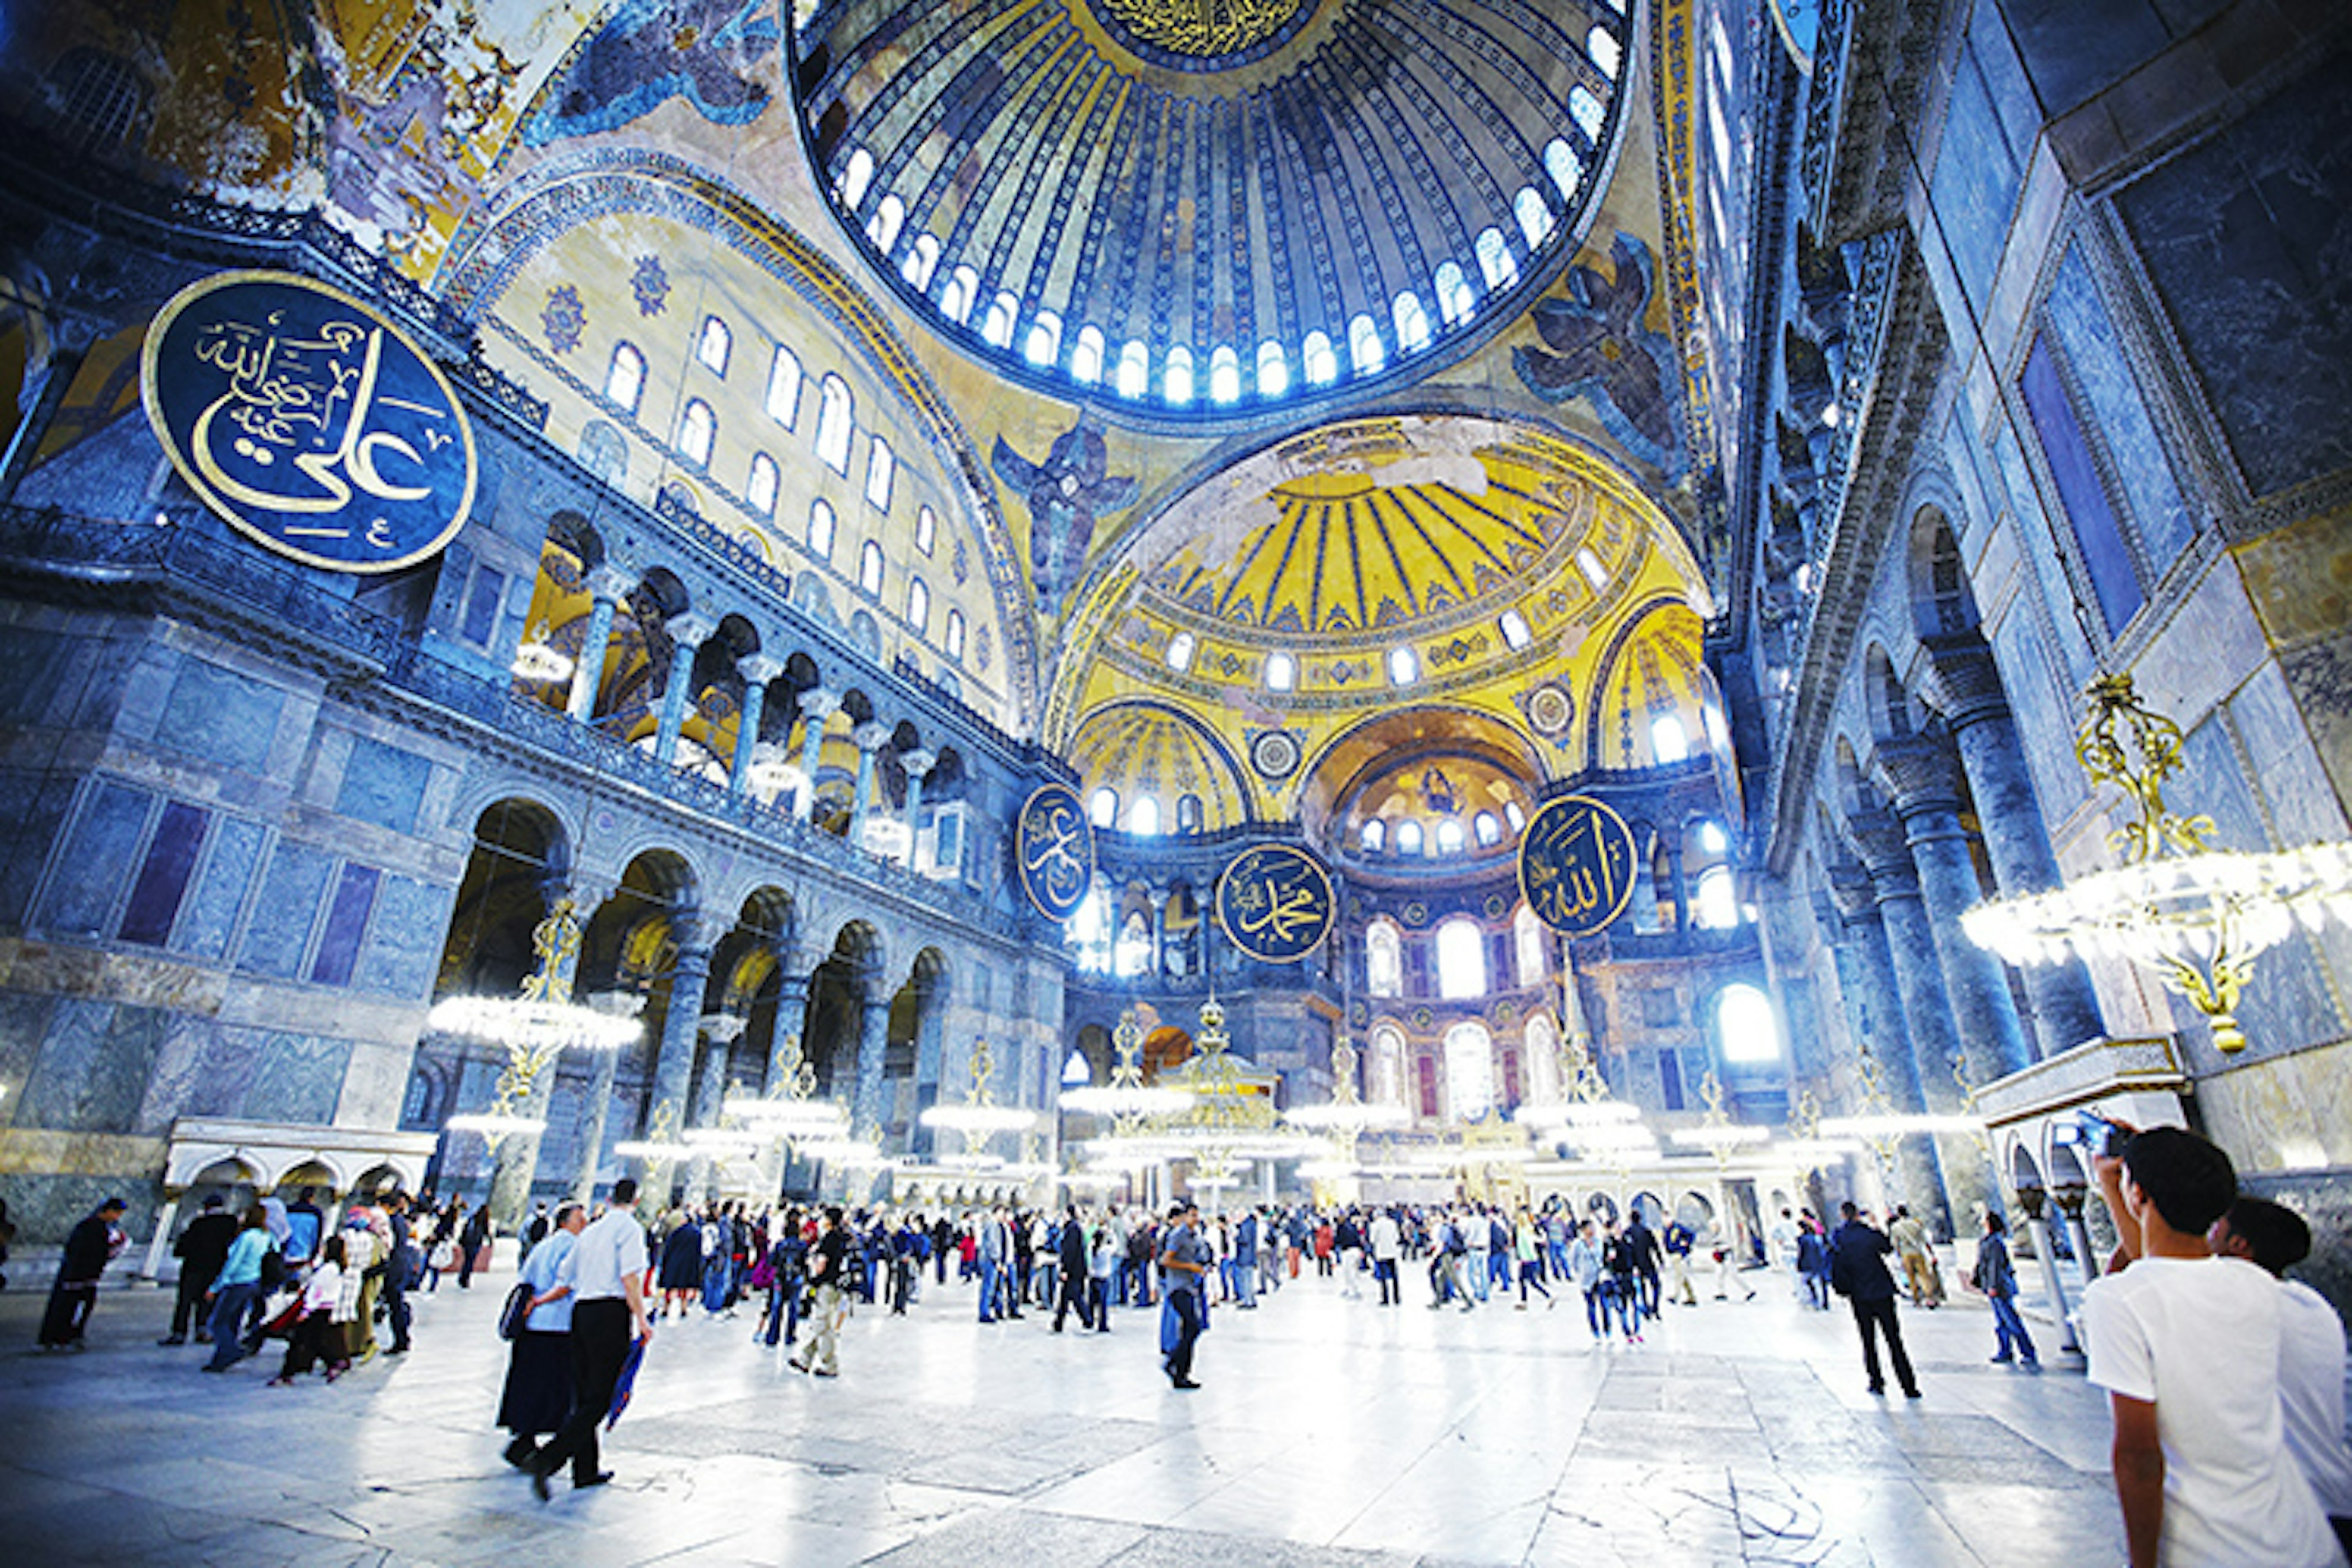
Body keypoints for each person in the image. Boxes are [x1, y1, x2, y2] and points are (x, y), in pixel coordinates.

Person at [2081, 1127, 2338, 1567]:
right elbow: (2173, 1276)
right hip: (2300, 1538)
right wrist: (2175, 1163)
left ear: (2138, 1194)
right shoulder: (2257, 1284)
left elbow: (2139, 1456)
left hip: (2211, 1546)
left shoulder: (2118, 1300)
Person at [2209, 1196, 2352, 1558]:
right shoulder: (2311, 1304)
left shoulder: (2241, 1304)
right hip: (2336, 1498)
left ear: (2238, 1246)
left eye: (2216, 1227)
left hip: (2293, 1516)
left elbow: (2149, 1271)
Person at [530, 1178, 652, 1499]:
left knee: (584, 1395)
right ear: (636, 1201)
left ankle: (585, 1470)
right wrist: (641, 1318)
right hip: (610, 1314)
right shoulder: (629, 1229)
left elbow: (566, 1279)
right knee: (600, 1398)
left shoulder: (590, 1232)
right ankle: (547, 1460)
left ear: (610, 1198)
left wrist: (541, 1301)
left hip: (581, 1313)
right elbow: (630, 1277)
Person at [500, 1201, 585, 1471]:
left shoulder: (543, 1246)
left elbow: (525, 1279)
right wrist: (541, 1301)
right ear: (565, 1222)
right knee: (554, 1387)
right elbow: (566, 1284)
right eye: (579, 1220)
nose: (583, 1225)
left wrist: (532, 1303)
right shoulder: (572, 1246)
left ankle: (523, 1437)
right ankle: (543, 1443)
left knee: (528, 1383)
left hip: (533, 1327)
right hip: (558, 1325)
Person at [1827, 1202, 1918, 1398]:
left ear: (1843, 1215)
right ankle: (1908, 1386)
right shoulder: (1869, 1234)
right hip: (1882, 1291)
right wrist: (1876, 1225)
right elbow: (1887, 1248)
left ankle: (1876, 1381)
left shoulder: (1839, 1237)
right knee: (1894, 1340)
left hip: (1859, 1295)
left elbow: (1836, 1262)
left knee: (1868, 1341)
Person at [38, 1196, 127, 1351]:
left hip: (89, 1275)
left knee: (84, 1305)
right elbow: (79, 1252)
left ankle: (72, 1333)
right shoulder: (89, 1227)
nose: (117, 1217)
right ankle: (59, 1335)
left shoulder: (102, 1228)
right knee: (67, 1306)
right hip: (77, 1274)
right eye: (116, 1213)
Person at [201, 1206, 275, 1373]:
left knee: (218, 1322)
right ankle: (220, 1360)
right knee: (233, 1319)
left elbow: (233, 1263)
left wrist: (216, 1286)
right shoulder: (267, 1236)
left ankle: (230, 1350)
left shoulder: (247, 1237)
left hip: (238, 1282)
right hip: (254, 1281)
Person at [268, 1235, 347, 1385]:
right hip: (326, 1308)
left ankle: (287, 1373)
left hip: (315, 1309)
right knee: (314, 1341)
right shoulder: (338, 1268)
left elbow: (316, 1291)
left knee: (300, 1340)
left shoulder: (327, 1270)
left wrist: (306, 1311)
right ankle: (333, 1363)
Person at [162, 1195, 238, 1346]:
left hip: (194, 1266)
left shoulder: (198, 1223)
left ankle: (179, 1332)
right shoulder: (230, 1223)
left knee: (185, 1301)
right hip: (216, 1267)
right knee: (207, 1300)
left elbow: (185, 1244)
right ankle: (202, 1330)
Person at [1971, 1212, 2037, 1368]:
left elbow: (1995, 1266)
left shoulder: (1995, 1242)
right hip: (1993, 1286)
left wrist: (1993, 1286)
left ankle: (2027, 1352)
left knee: (2011, 1320)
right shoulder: (1990, 1240)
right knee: (2001, 1322)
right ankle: (2005, 1351)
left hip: (1999, 1287)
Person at [791, 1205, 849, 1378]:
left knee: (824, 1326)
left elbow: (822, 1264)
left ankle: (830, 1365)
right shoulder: (845, 1237)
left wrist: (814, 1277)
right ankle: (805, 1360)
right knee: (820, 1324)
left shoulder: (830, 1239)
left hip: (826, 1286)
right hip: (838, 1286)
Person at [1157, 1201, 1210, 1389]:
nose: (1196, 1219)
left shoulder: (1194, 1236)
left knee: (1190, 1328)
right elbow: (1166, 1260)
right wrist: (1190, 1267)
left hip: (1189, 1286)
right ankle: (1174, 1363)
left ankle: (1181, 1372)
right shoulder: (1178, 1235)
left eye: (1197, 1215)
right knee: (1193, 1326)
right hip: (1178, 1287)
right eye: (1192, 1215)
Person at [1890, 1205, 1945, 1309]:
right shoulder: (1916, 1225)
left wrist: (1899, 1257)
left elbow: (1895, 1244)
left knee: (1912, 1278)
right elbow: (1925, 1241)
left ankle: (1917, 1300)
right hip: (1917, 1252)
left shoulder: (1896, 1227)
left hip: (1906, 1254)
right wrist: (1931, 1254)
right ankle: (1930, 1297)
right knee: (1924, 1276)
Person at [1567, 1219, 1609, 1344]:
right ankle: (1595, 1332)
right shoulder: (1578, 1244)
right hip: (1586, 1280)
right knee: (1591, 1306)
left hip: (1599, 1277)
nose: (1593, 1230)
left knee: (1605, 1304)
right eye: (1590, 1228)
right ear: (1584, 1230)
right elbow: (1572, 1261)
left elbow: (1603, 1257)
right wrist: (1579, 1272)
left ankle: (1608, 1330)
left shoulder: (1599, 1242)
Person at [1053, 1206, 1092, 1331]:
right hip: (1076, 1269)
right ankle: (1058, 1323)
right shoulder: (1074, 1228)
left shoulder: (1072, 1229)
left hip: (1073, 1270)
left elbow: (1070, 1251)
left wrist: (1065, 1269)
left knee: (1075, 1296)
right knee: (1065, 1296)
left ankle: (1087, 1319)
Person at [1661, 1215, 1698, 1306]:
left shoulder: (1678, 1228)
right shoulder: (1667, 1230)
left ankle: (1675, 1295)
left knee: (1679, 1276)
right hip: (1673, 1254)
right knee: (1683, 1277)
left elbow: (1692, 1234)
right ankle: (1692, 1296)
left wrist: (1686, 1244)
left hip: (1679, 1254)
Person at [1368, 1207, 1402, 1307]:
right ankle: (1397, 1297)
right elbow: (1397, 1238)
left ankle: (1385, 1298)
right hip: (1392, 1252)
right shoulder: (1392, 1223)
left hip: (1381, 1253)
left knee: (1383, 1277)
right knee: (1395, 1276)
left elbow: (1372, 1240)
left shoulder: (1375, 1225)